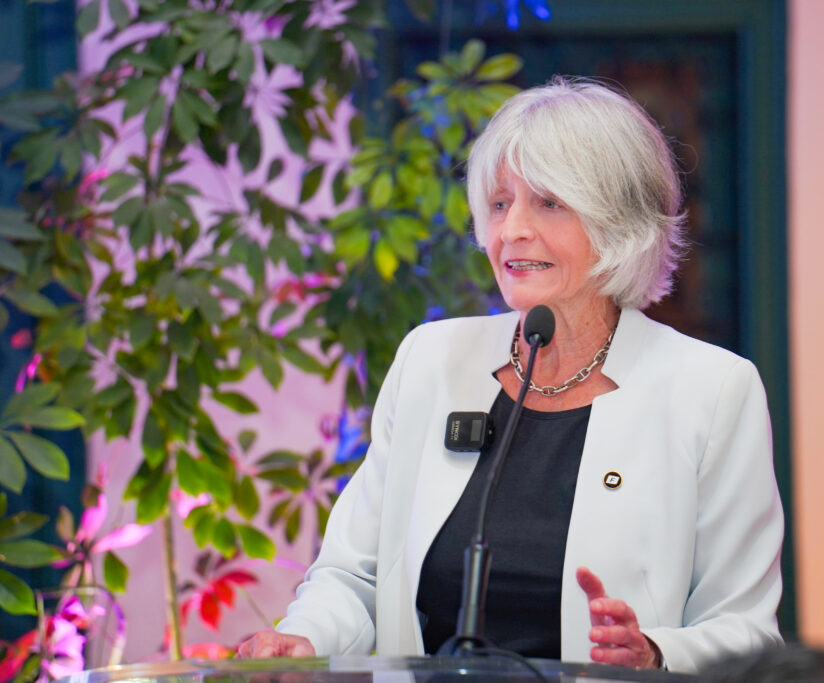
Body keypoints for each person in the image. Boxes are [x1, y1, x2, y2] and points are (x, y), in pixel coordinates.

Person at [238, 76, 784, 673]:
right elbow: (354, 574)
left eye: (548, 202)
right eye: (500, 204)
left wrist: (655, 654)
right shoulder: (431, 359)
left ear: (619, 221)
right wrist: (305, 637)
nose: (512, 230)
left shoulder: (711, 390)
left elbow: (746, 631)